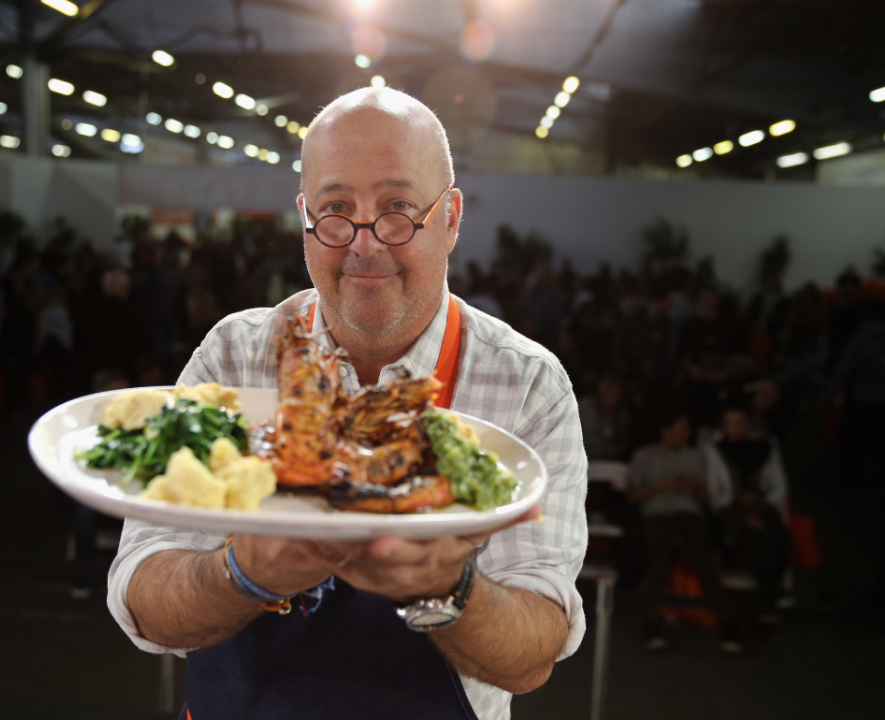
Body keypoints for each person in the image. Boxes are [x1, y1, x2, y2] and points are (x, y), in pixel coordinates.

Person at [107, 88, 588, 720]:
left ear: (449, 219)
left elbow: (533, 651)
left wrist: (449, 587)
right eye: (337, 210)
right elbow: (143, 593)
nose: (365, 243)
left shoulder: (525, 387)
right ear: (304, 219)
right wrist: (244, 573)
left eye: (398, 208)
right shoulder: (233, 360)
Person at [627, 409, 737, 652]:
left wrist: (695, 486)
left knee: (706, 563)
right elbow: (633, 494)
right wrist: (659, 485)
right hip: (656, 512)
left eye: (688, 429)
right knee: (658, 563)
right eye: (681, 428)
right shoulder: (645, 455)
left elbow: (708, 497)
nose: (686, 434)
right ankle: (652, 623)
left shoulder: (695, 456)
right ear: (665, 430)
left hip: (689, 512)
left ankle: (726, 624)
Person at [701, 405, 790, 614]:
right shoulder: (714, 450)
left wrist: (761, 499)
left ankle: (772, 589)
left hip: (762, 505)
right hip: (727, 509)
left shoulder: (764, 448)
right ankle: (771, 592)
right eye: (729, 423)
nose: (735, 428)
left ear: (748, 424)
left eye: (740, 422)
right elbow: (714, 493)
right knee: (758, 528)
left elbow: (779, 485)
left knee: (767, 524)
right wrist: (740, 503)